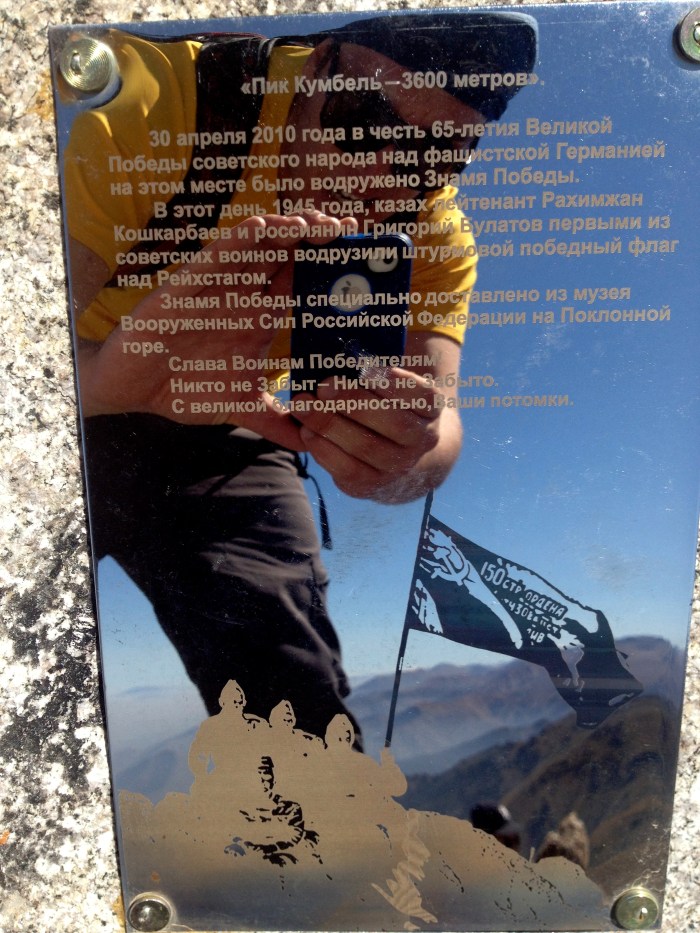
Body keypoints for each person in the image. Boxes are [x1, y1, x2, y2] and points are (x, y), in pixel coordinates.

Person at [63, 12, 537, 738]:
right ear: (315, 68)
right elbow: (25, 362)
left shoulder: (430, 236)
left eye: (438, 159)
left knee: (296, 701)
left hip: (230, 426)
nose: (386, 176)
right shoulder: (157, 107)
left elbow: (440, 425)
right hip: (72, 413)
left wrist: (402, 453)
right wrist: (112, 385)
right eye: (364, 118)